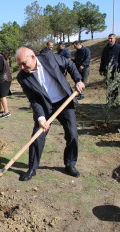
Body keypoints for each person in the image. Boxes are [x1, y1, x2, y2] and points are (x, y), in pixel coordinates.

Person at [15, 47, 85, 181]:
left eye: (24, 63)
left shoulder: (49, 57)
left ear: (33, 57)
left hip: (64, 101)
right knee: (37, 136)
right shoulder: (22, 77)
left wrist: (78, 80)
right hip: (45, 106)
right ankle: (32, 168)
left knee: (72, 133)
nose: (22, 67)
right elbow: (34, 100)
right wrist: (41, 118)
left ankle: (70, 164)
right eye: (19, 65)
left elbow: (69, 64)